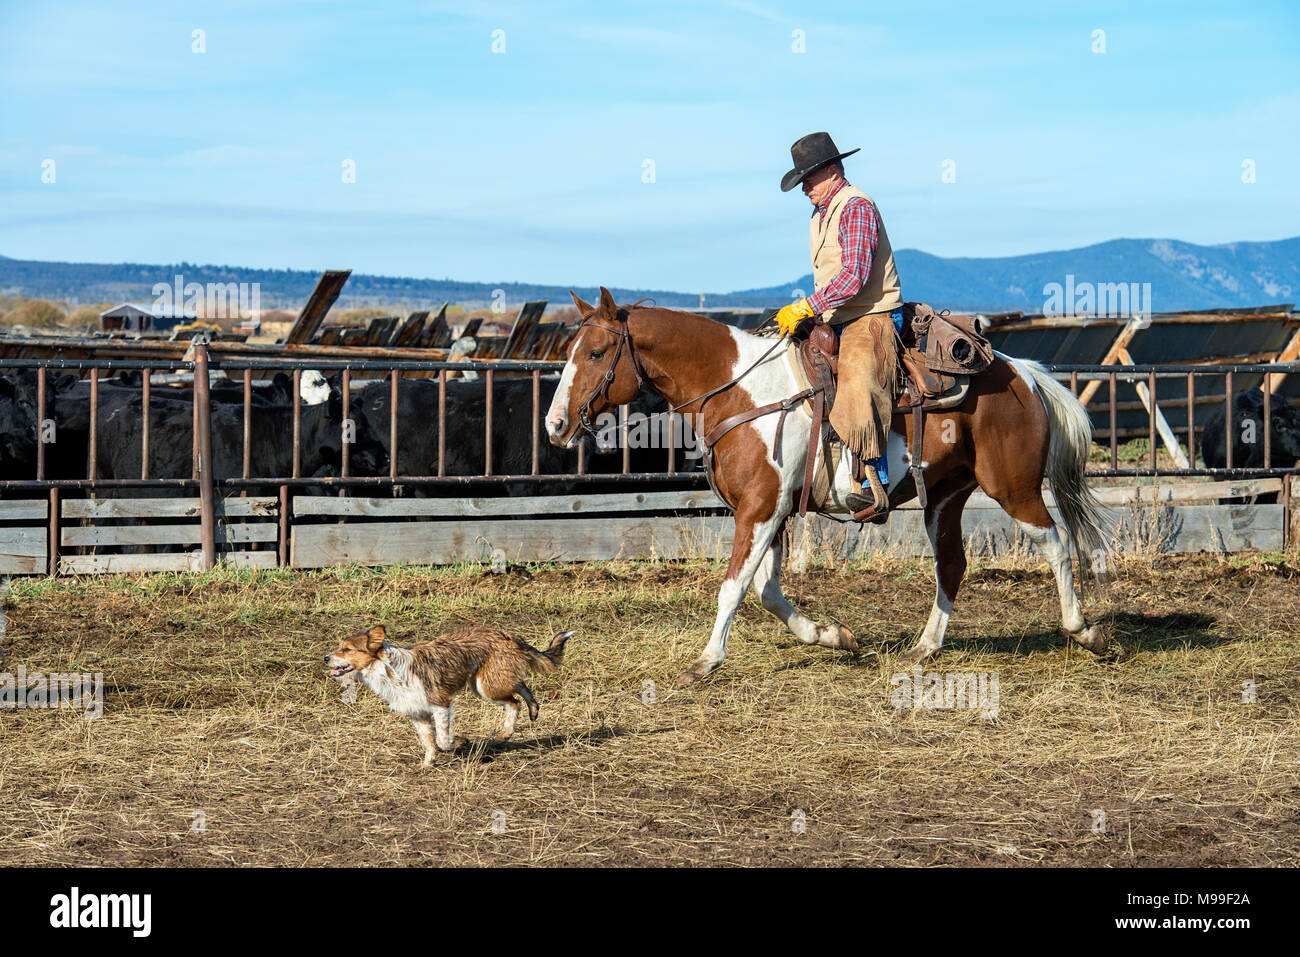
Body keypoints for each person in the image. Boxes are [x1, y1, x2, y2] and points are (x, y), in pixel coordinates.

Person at [773, 132, 904, 523]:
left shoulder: (855, 207)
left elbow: (857, 276)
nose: (805, 188)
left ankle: (871, 485)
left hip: (871, 315)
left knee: (859, 378)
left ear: (832, 171)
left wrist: (807, 306)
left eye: (809, 179)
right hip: (838, 315)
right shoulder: (822, 213)